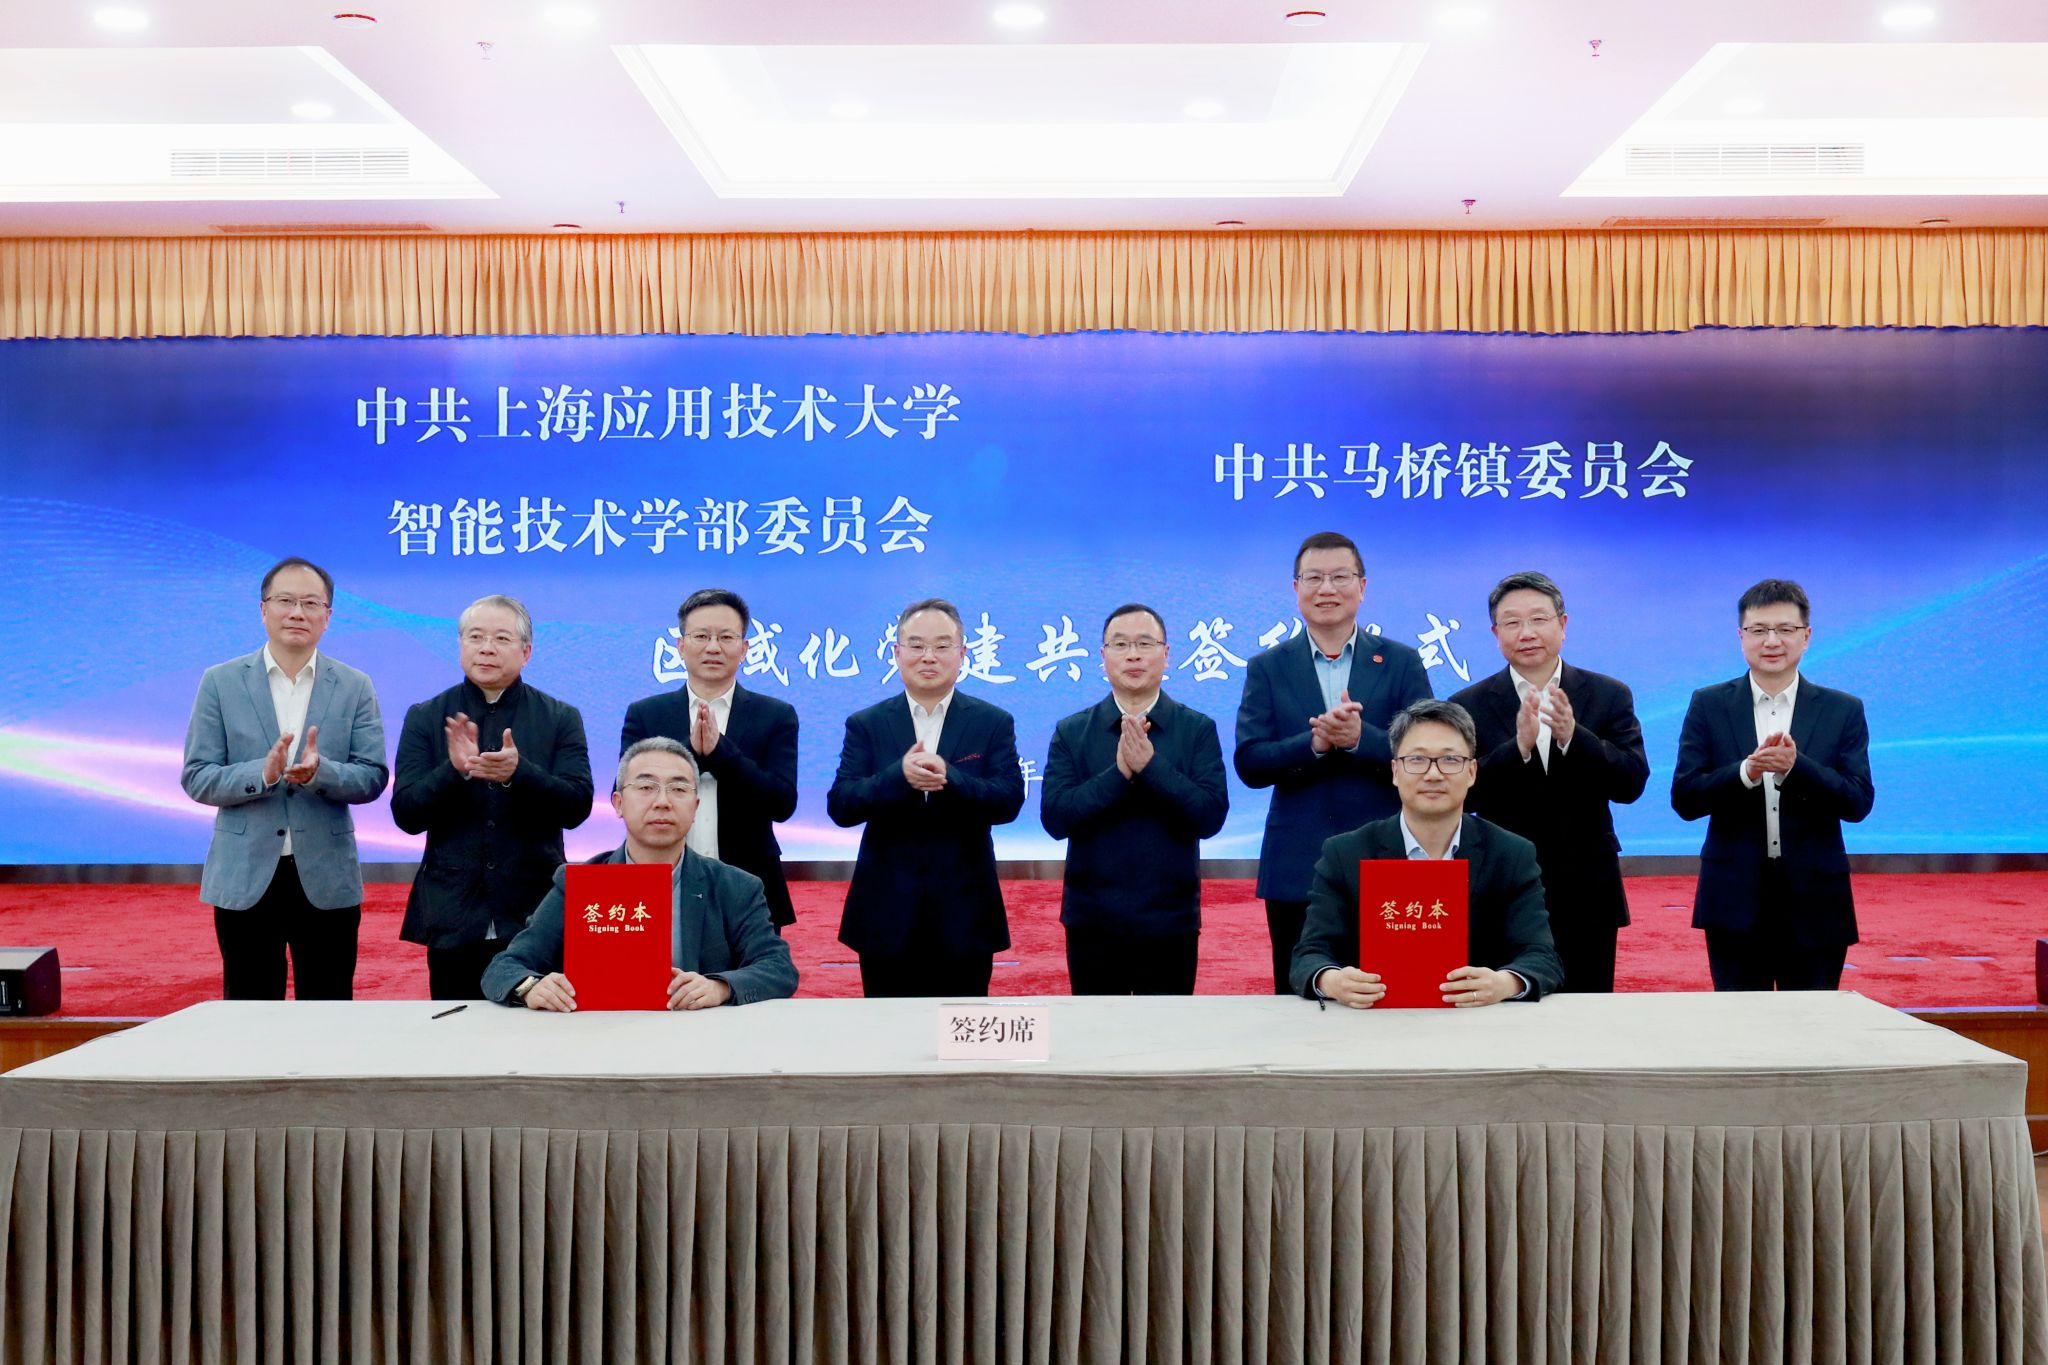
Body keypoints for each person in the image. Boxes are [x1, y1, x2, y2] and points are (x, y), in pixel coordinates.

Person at [180, 556, 388, 999]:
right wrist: (262, 773)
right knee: (250, 1010)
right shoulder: (220, 682)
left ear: (328, 616)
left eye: (311, 603)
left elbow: (372, 777)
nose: (297, 613)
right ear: (263, 609)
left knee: (329, 1007)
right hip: (246, 875)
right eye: (285, 601)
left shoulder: (354, 685)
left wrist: (320, 772)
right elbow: (197, 777)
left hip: (326, 877)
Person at [1235, 531, 1433, 993]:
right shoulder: (1268, 667)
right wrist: (1315, 744)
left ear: (1362, 587)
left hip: (1386, 860)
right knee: (1300, 997)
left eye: (1340, 577)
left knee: (1395, 996)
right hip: (1297, 864)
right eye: (1314, 578)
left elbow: (1426, 754)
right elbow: (1250, 762)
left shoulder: (1401, 662)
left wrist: (1361, 739)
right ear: (1296, 588)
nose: (1327, 589)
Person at [482, 738, 796, 1010]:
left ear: (696, 806)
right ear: (618, 803)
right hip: (600, 1038)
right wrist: (531, 987)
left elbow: (778, 967)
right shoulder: (581, 883)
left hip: (700, 1040)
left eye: (678, 789)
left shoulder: (735, 886)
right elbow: (505, 966)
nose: (662, 802)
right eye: (646, 787)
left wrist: (720, 987)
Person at [1448, 571, 1648, 992]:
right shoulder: (1466, 705)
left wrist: (1575, 737)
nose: (1527, 633)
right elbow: (1459, 795)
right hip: (1500, 883)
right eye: (1512, 622)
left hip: (1587, 884)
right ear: (1495, 633)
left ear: (1563, 624)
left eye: (1539, 619)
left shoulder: (1609, 694)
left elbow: (1630, 783)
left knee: (1586, 1008)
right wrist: (1516, 748)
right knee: (1501, 1005)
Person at [1291, 699, 1563, 1007]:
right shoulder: (1346, 853)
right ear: (1395, 771)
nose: (1433, 774)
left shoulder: (1511, 854)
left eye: (1450, 760)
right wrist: (1333, 981)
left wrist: (1504, 983)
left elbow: (1542, 956)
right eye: (1417, 760)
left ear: (1472, 772)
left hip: (1480, 1022)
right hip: (1374, 1021)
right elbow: (1309, 954)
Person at [1672, 579, 1875, 991]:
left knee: (1814, 1024)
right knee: (1741, 1026)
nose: (1771, 641)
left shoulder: (1842, 709)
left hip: (1817, 901)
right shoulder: (1709, 704)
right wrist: (1746, 772)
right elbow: (1686, 797)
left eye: (1785, 629)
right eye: (1759, 630)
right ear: (1741, 636)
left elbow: (1857, 802)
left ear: (1806, 637)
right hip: (1733, 899)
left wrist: (1797, 768)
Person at [391, 595, 593, 999]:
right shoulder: (426, 715)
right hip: (453, 911)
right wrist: (454, 771)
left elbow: (577, 806)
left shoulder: (559, 717)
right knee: (456, 1027)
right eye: (475, 637)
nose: (486, 648)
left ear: (526, 652)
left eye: (501, 638)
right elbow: (407, 814)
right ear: (460, 645)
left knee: (537, 1024)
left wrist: (520, 774)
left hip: (534, 911)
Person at [827, 598, 1024, 998]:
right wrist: (897, 776)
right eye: (916, 645)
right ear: (897, 653)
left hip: (966, 912)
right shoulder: (867, 723)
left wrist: (951, 778)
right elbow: (842, 805)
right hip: (886, 912)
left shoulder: (991, 722)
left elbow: (1008, 801)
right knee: (887, 1030)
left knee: (961, 1029)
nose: (928, 657)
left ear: (962, 654)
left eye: (942, 646)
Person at [1040, 604, 1229, 994]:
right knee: (1097, 1029)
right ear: (1103, 656)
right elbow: (1056, 819)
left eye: (1145, 643)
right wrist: (1120, 773)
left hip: (1170, 921)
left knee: (1164, 1032)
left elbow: (1209, 816)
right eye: (1121, 644)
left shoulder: (1197, 729)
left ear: (1166, 654)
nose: (1133, 655)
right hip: (1092, 921)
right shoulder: (1072, 731)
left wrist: (1151, 767)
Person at [621, 589, 800, 932]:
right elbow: (627, 795)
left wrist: (721, 754)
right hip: (657, 881)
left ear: (744, 648)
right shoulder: (646, 714)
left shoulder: (775, 715)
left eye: (726, 637)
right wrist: (689, 753)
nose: (713, 647)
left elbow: (781, 802)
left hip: (749, 883)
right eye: (701, 636)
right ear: (681, 646)